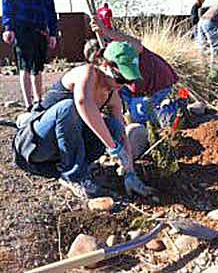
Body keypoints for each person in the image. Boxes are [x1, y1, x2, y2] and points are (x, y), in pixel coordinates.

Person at [13, 41, 154, 198]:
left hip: (61, 152)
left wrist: (130, 172)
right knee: (68, 107)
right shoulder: (87, 73)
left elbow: (120, 132)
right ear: (106, 65)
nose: (122, 85)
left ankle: (79, 167)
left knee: (114, 126)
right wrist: (113, 148)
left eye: (129, 81)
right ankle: (74, 177)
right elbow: (83, 103)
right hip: (36, 145)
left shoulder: (112, 95)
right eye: (120, 79)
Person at [88, 17, 179, 126]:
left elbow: (135, 43)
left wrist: (106, 31)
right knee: (128, 105)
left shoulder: (122, 51)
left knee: (142, 113)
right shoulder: (107, 71)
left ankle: (171, 112)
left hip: (159, 85)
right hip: (138, 89)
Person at [2, 0, 58, 112]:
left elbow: (49, 5)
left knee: (38, 67)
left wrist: (53, 31)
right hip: (21, 26)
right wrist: (8, 26)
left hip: (40, 27)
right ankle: (28, 104)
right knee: (24, 65)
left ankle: (38, 102)